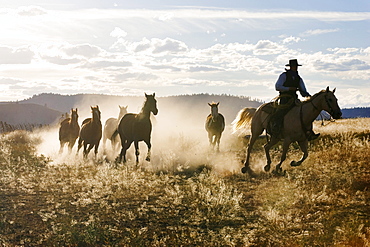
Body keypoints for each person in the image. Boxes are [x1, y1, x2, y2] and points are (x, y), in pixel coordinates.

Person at [270, 59, 320, 140]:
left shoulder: (298, 78)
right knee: (281, 112)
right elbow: (277, 87)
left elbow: (303, 91)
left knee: (305, 113)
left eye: (296, 66)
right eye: (294, 66)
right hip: (284, 99)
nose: (295, 68)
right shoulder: (284, 75)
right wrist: (289, 88)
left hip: (294, 99)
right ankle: (276, 128)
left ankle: (309, 132)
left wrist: (309, 96)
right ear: (290, 67)